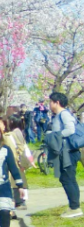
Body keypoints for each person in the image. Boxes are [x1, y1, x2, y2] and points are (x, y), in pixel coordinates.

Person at [48, 91, 82, 219]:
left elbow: (70, 130)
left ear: (56, 103)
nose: (49, 104)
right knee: (66, 178)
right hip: (64, 152)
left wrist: (55, 135)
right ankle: (74, 206)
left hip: (68, 152)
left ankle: (75, 208)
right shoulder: (59, 115)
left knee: (68, 179)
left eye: (51, 102)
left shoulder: (64, 114)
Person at [1, 116, 33, 209]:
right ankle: (21, 201)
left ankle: (19, 202)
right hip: (20, 159)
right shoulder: (19, 131)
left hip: (16, 159)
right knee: (19, 180)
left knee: (14, 181)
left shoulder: (11, 134)